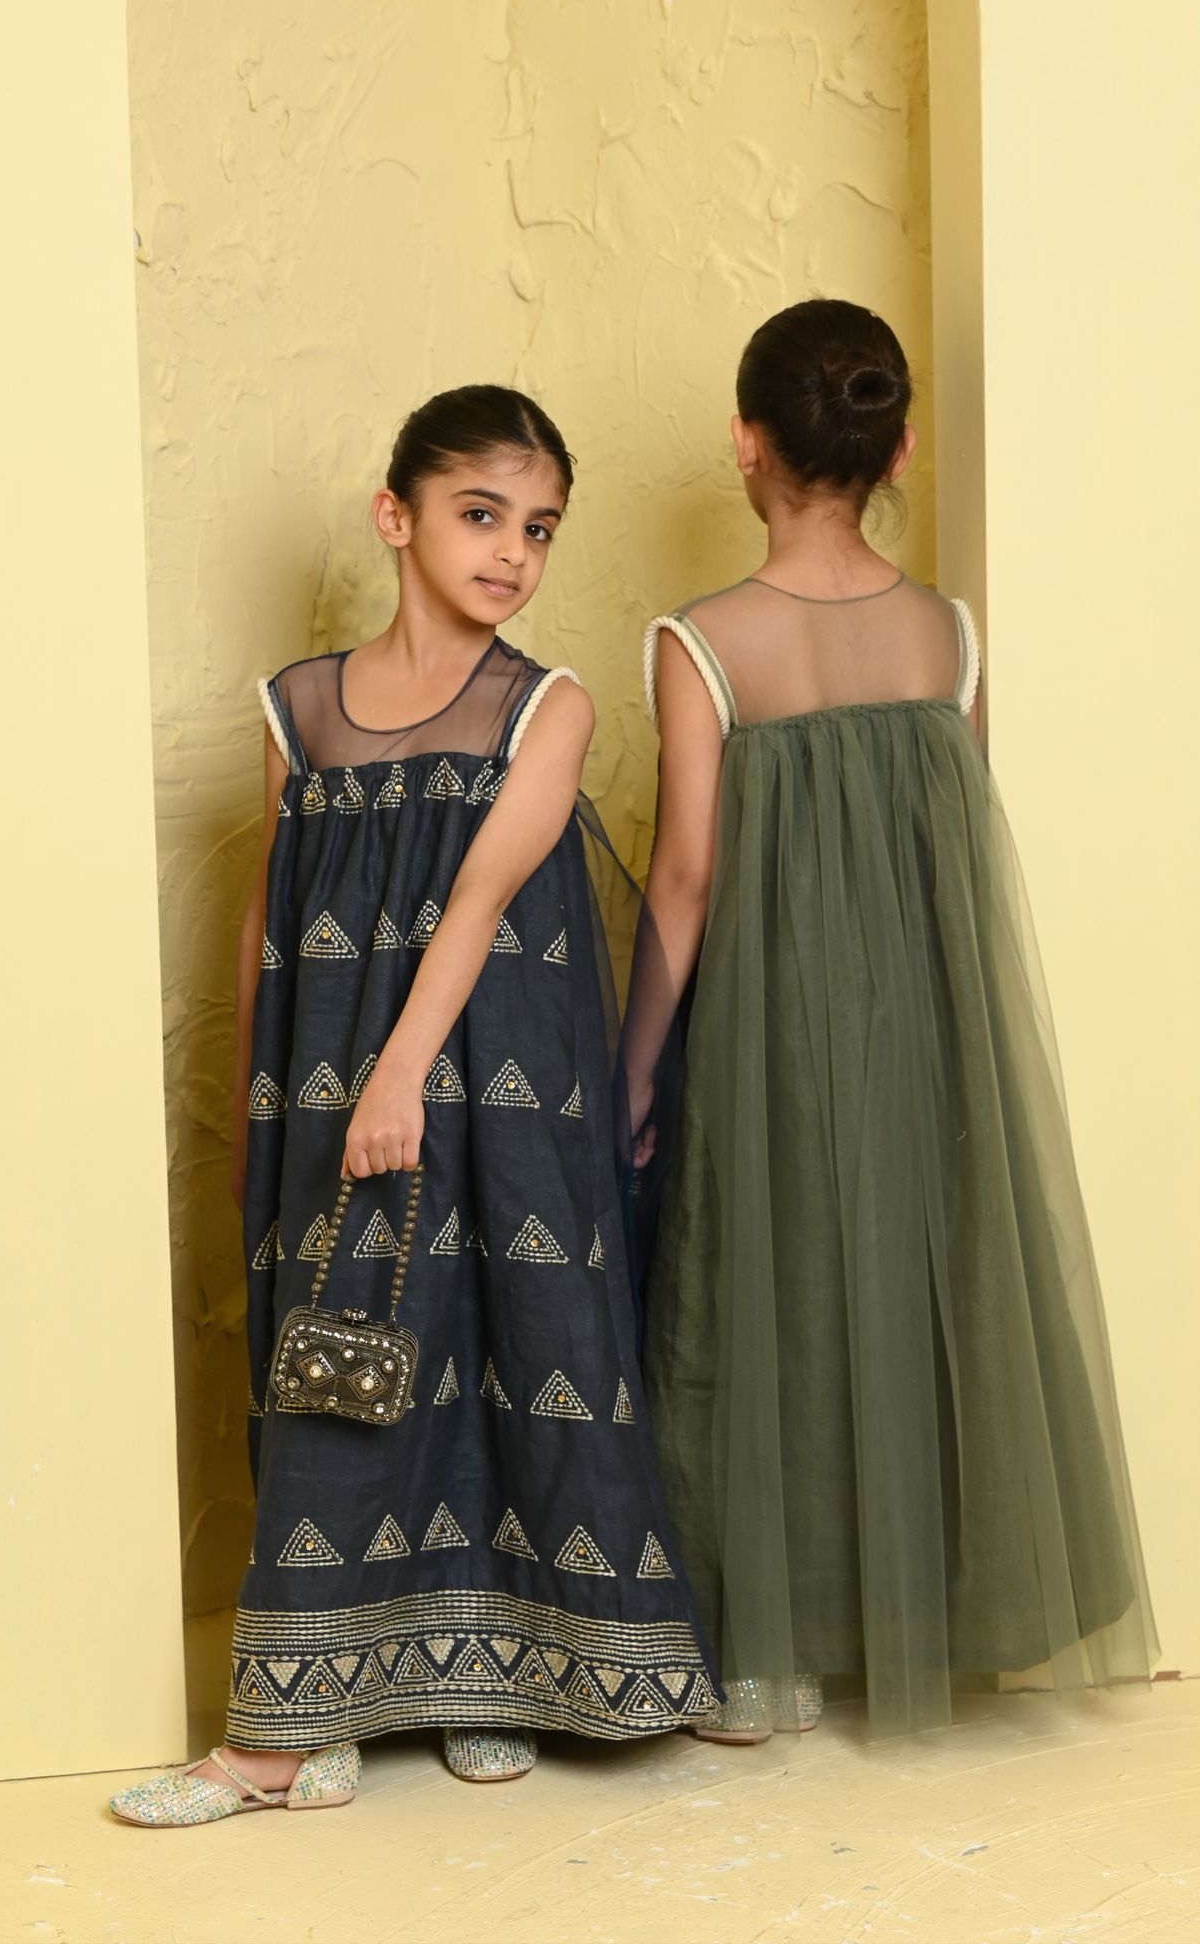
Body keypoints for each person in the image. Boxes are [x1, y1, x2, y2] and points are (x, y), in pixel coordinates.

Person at [111, 384, 718, 1827]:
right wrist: (265, 1099)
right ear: (397, 517)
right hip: (323, 1076)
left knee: (518, 1337)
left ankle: (489, 1680)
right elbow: (274, 905)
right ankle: (303, 1725)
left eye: (540, 528)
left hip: (497, 1073)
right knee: (345, 1357)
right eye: (481, 514)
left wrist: (400, 1074)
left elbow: (484, 898)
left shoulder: (547, 706)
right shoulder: (299, 708)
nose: (513, 551)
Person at [626, 300, 1158, 1743]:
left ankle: (769, 1657)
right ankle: (922, 1614)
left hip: (769, 1021)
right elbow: (957, 854)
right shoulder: (949, 636)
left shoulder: (701, 642)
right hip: (929, 1024)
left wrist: (634, 1064)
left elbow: (686, 876)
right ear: (897, 447)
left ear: (745, 443)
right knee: (923, 1296)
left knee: (763, 1295)